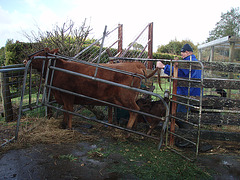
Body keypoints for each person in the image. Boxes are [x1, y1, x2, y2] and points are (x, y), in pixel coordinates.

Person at [157, 44, 201, 127]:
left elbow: (178, 71)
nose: (182, 56)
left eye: (182, 54)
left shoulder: (188, 62)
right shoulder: (196, 61)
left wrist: (163, 66)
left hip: (186, 93)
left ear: (187, 52)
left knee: (179, 115)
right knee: (182, 113)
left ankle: (185, 131)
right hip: (194, 93)